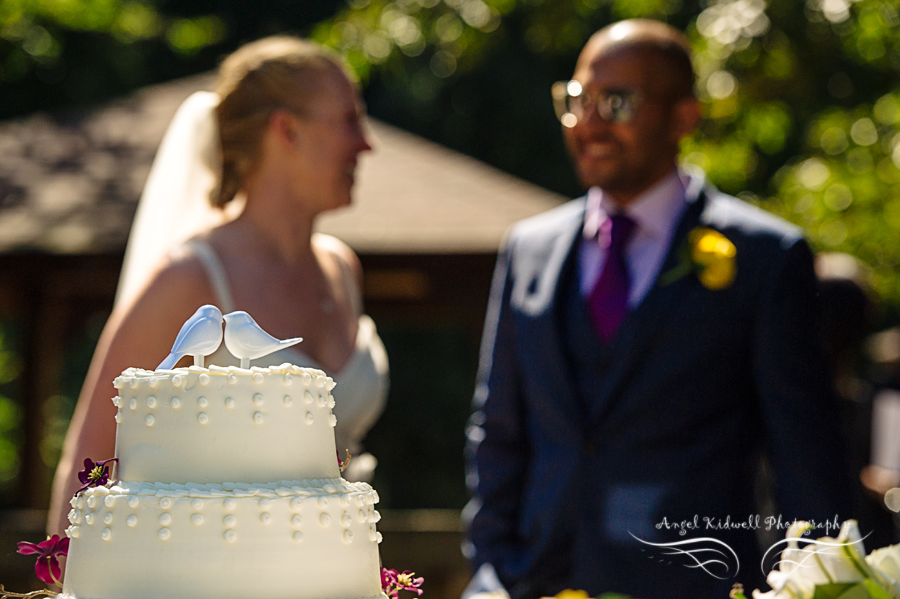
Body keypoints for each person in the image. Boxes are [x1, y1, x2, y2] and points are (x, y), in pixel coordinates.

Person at [464, 19, 850, 599]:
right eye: (577, 100)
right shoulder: (529, 248)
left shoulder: (767, 259)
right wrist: (493, 571)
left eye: (616, 102)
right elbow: (498, 433)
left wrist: (818, 585)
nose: (589, 122)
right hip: (533, 582)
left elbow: (803, 460)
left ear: (683, 118)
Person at [48, 36, 389, 537]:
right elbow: (91, 462)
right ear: (286, 129)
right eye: (349, 119)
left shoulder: (343, 268)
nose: (366, 143)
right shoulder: (187, 280)